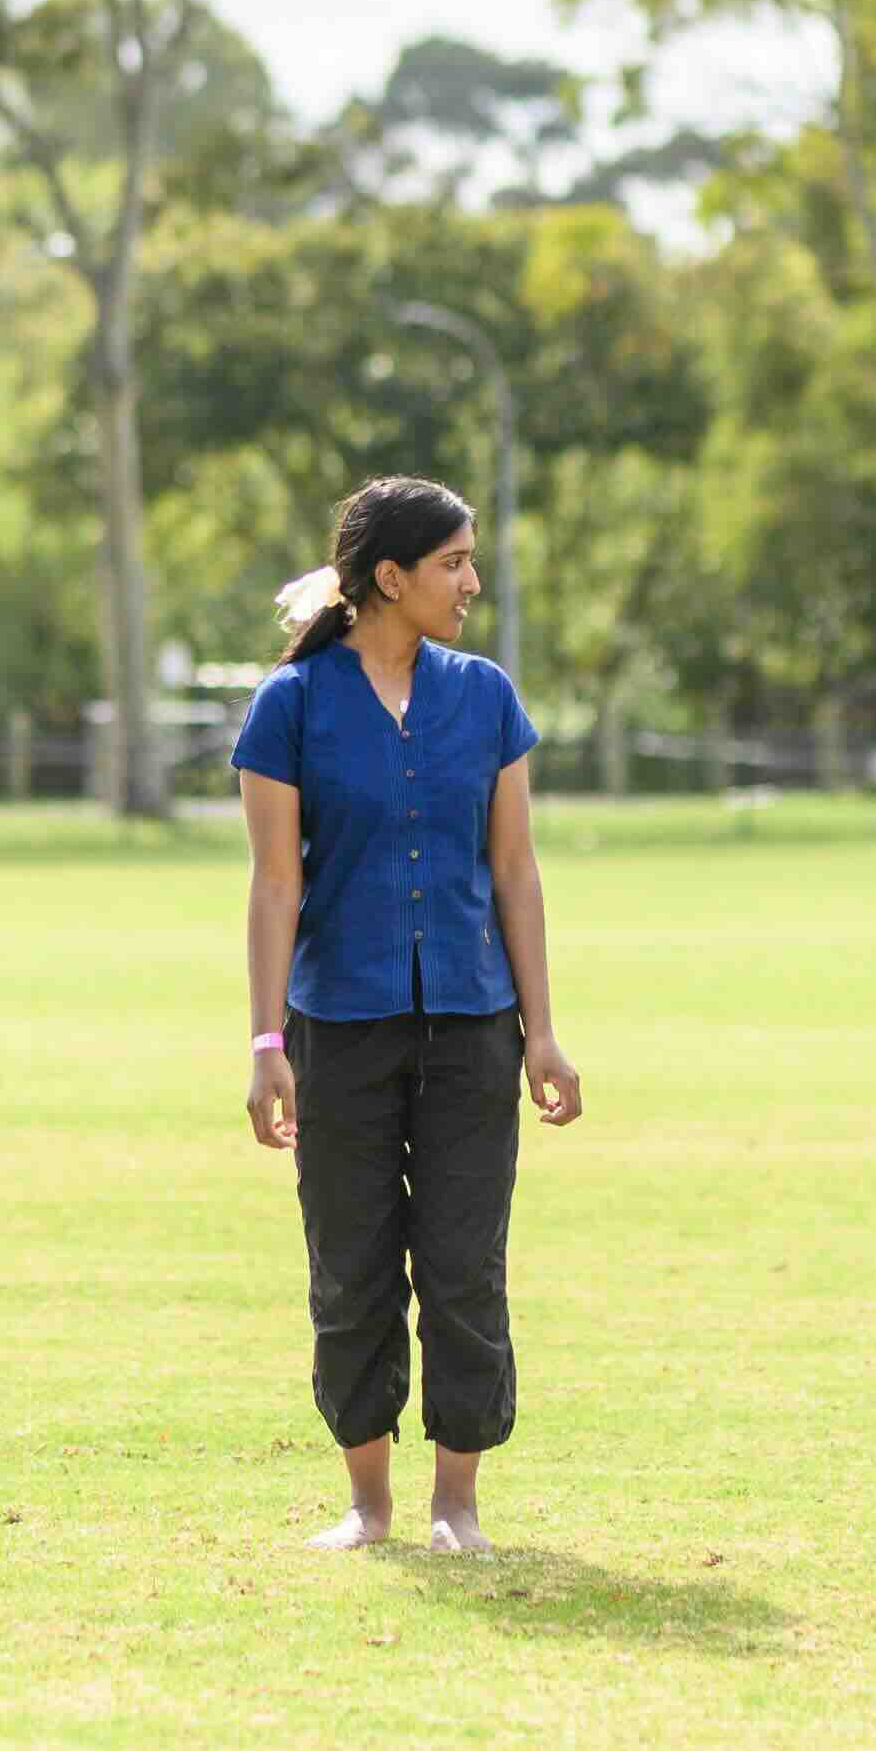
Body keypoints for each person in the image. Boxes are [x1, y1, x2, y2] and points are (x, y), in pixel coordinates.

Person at [235, 475, 585, 1555]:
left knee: (466, 1261)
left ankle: (458, 1506)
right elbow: (274, 884)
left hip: (474, 1023)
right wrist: (265, 1042)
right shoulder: (288, 707)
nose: (472, 582)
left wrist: (541, 1028)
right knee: (351, 1259)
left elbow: (516, 872)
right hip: (338, 1027)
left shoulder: (485, 697)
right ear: (391, 577)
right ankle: (369, 1504)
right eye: (453, 562)